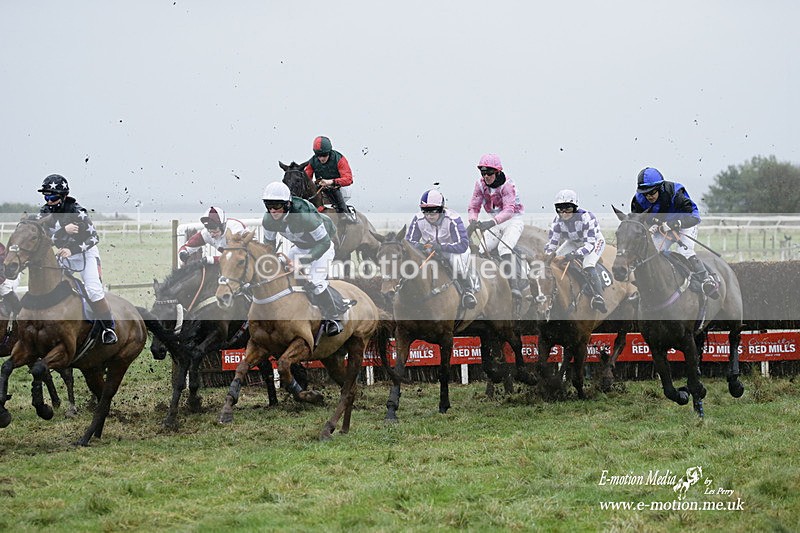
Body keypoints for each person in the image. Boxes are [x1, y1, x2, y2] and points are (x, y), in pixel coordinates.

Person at [37, 174, 117, 344]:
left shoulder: (77, 211)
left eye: (52, 197)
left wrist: (71, 250)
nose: (48, 201)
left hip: (85, 254)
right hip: (63, 254)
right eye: (46, 196)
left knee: (94, 291)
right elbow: (42, 239)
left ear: (63, 196)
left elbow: (94, 238)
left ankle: (108, 327)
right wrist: (63, 231)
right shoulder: (44, 212)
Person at [261, 181, 343, 336]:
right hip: (299, 247)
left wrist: (302, 262)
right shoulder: (268, 220)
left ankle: (334, 319)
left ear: (287, 205)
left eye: (277, 206)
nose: (273, 210)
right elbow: (269, 245)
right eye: (269, 206)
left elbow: (324, 243)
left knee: (315, 282)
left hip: (322, 246)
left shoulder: (304, 216)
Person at [631, 167, 719, 299]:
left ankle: (706, 280)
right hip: (663, 227)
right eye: (645, 193)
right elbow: (638, 221)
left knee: (685, 251)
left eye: (652, 192)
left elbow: (694, 217)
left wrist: (675, 224)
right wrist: (650, 226)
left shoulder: (676, 194)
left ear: (660, 188)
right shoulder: (638, 201)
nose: (649, 196)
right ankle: (645, 287)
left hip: (686, 224)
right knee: (652, 253)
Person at [467, 153, 528, 297]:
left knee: (503, 248)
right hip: (495, 221)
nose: (486, 176)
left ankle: (514, 286)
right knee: (481, 249)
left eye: (489, 173)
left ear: (498, 171)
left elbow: (508, 211)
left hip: (513, 220)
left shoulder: (507, 185)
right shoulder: (480, 185)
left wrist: (491, 222)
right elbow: (474, 206)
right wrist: (473, 221)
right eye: (483, 173)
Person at [406, 189, 477, 309]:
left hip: (455, 250)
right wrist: (422, 247)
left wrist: (441, 247)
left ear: (441, 209)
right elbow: (409, 242)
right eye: (425, 212)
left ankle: (468, 291)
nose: (428, 216)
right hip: (429, 250)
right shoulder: (418, 219)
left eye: (432, 212)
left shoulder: (453, 219)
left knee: (456, 262)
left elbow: (463, 244)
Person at [544, 189, 608, 313]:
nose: (563, 213)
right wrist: (546, 257)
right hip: (573, 242)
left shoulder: (587, 217)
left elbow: (589, 245)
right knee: (553, 261)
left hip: (594, 242)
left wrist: (573, 255)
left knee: (588, 265)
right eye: (560, 209)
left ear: (575, 207)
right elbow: (552, 244)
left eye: (567, 209)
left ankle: (598, 297)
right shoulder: (557, 222)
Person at [303, 135, 358, 224]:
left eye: (324, 155)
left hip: (342, 187)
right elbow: (306, 179)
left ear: (329, 152)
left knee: (333, 190)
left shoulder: (339, 159)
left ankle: (345, 214)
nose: (321, 158)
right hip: (323, 187)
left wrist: (331, 182)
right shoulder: (312, 161)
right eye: (318, 156)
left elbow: (349, 179)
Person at [178, 206, 246, 265]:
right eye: (209, 231)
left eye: (215, 231)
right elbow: (187, 246)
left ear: (223, 226)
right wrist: (183, 253)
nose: (212, 235)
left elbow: (237, 257)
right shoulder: (206, 233)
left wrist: (211, 259)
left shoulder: (236, 230)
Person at [0, 243, 21, 316]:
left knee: (4, 289)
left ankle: (19, 311)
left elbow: (2, 276)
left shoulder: (1, 253)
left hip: (8, 277)